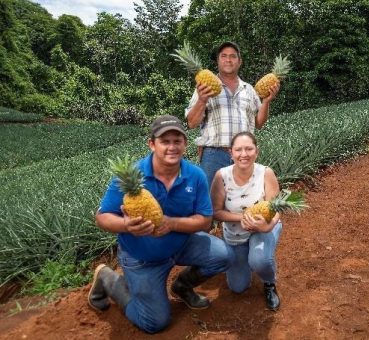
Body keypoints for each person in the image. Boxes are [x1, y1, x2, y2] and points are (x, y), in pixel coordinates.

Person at [88, 115, 234, 334]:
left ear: (185, 144)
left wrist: (172, 223)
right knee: (154, 323)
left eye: (177, 141)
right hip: (142, 258)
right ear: (151, 144)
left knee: (223, 255)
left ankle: (182, 286)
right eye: (165, 141)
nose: (172, 147)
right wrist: (126, 225)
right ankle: (108, 279)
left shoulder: (195, 175)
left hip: (181, 245)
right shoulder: (133, 176)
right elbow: (102, 217)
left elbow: (205, 221)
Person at [185, 41, 280, 187]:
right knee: (210, 204)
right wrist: (202, 100)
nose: (228, 60)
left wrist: (266, 101)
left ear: (239, 61)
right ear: (218, 61)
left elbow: (259, 123)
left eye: (233, 56)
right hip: (214, 155)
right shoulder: (205, 87)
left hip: (244, 156)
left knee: (242, 201)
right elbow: (191, 123)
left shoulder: (249, 89)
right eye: (223, 56)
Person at [210, 131, 282, 311]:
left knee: (261, 261)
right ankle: (248, 258)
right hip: (235, 234)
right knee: (238, 287)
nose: (244, 154)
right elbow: (216, 212)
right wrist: (242, 217)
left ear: (256, 151)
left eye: (249, 149)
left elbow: (276, 208)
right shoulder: (221, 176)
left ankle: (268, 282)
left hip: (262, 229)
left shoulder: (266, 173)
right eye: (238, 149)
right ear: (231, 152)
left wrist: (268, 226)